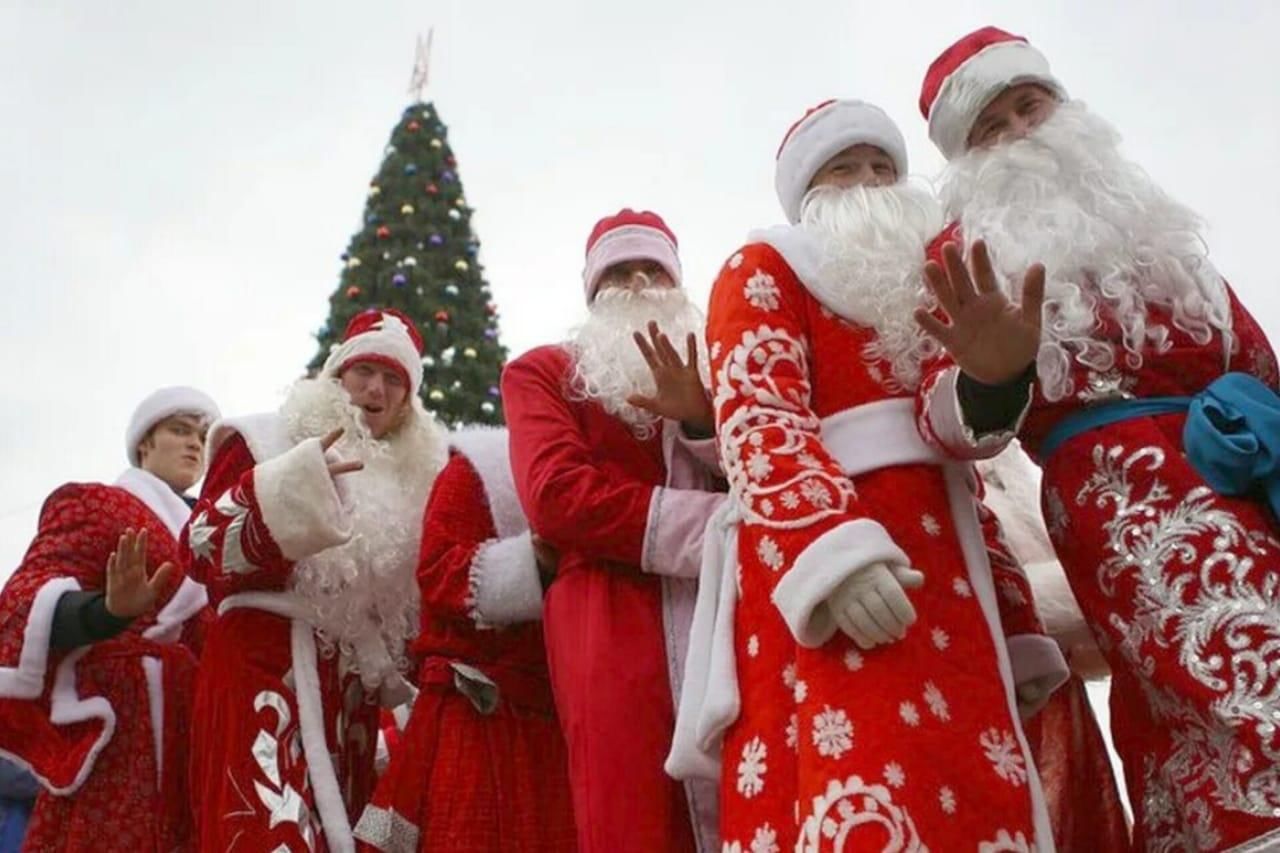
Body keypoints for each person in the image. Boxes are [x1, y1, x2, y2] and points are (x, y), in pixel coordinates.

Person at [918, 25, 1280, 850]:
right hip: (1121, 499)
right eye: (990, 126)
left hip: (1253, 476)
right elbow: (938, 415)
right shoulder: (959, 255)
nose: (1018, 131)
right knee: (1226, 678)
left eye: (1029, 104)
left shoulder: (1150, 224)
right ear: (964, 160)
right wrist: (993, 375)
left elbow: (1257, 358)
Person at [678, 99, 1066, 851]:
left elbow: (943, 426)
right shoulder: (762, 266)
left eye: (884, 166)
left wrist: (991, 378)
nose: (870, 181)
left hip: (948, 567)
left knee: (973, 789)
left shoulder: (932, 283)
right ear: (808, 193)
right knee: (853, 770)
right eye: (844, 168)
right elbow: (760, 418)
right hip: (822, 568)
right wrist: (833, 555)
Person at [183, 308, 446, 852]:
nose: (374, 388)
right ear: (335, 377)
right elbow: (199, 550)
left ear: (406, 403)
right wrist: (294, 491)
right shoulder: (262, 439)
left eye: (393, 379)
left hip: (348, 701)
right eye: (363, 372)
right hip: (260, 668)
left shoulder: (411, 489)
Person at [502, 209, 724, 852]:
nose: (636, 285)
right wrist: (717, 528)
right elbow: (555, 496)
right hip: (605, 616)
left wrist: (703, 423)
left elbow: (764, 464)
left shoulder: (718, 367)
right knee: (625, 811)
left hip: (723, 616)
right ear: (592, 294)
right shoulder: (543, 372)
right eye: (618, 274)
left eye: (652, 270)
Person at [0, 386, 219, 851]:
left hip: (196, 724)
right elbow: (25, 596)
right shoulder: (96, 504)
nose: (195, 444)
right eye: (179, 431)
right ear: (144, 444)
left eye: (203, 436)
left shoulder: (216, 534)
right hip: (120, 718)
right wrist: (106, 613)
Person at [354, 426, 576, 852]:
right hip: (478, 715)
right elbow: (438, 571)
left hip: (556, 726)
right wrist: (535, 563)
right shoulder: (482, 467)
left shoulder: (605, 473)